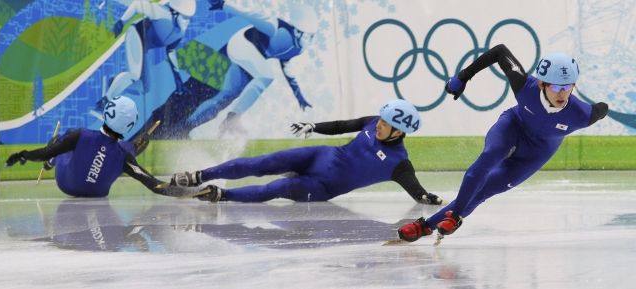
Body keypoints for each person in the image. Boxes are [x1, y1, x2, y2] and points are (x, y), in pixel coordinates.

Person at [397, 44, 609, 243]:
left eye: (568, 86)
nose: (562, 93)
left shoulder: (583, 114)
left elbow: (603, 109)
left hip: (536, 153)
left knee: (484, 191)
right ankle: (454, 216)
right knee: (489, 157)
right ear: (541, 83)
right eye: (555, 86)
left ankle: (426, 227)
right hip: (513, 127)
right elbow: (500, 51)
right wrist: (463, 77)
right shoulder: (525, 86)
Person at [171, 99, 443, 205]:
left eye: (387, 125)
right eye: (381, 121)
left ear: (400, 132)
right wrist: (313, 126)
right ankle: (199, 175)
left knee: (276, 187)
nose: (380, 126)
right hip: (320, 156)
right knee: (262, 163)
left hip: (323, 185)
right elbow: (341, 126)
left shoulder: (399, 164)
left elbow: (417, 191)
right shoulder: (372, 121)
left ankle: (222, 195)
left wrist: (427, 198)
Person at [5, 96, 209, 199]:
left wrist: (23, 154)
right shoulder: (124, 155)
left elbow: (44, 152)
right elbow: (155, 185)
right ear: (129, 126)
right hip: (97, 191)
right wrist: (189, 192)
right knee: (126, 153)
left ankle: (52, 163)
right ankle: (139, 143)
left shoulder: (79, 134)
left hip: (65, 183)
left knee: (62, 149)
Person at [186, 0, 316, 136]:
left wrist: (299, 96)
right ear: (296, 31)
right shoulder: (273, 26)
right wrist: (223, 5)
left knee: (225, 97)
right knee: (267, 75)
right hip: (241, 45)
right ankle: (234, 117)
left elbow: (286, 67)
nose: (308, 41)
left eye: (311, 37)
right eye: (306, 35)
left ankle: (187, 127)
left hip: (252, 58)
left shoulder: (297, 49)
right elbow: (251, 15)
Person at [105, 0, 196, 99]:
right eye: (184, 17)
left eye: (189, 18)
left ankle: (112, 83)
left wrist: (178, 80)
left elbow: (170, 52)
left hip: (144, 47)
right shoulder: (162, 13)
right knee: (135, 76)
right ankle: (106, 100)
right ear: (175, 13)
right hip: (136, 36)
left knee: (144, 88)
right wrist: (121, 22)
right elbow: (137, 4)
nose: (187, 22)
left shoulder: (180, 33)